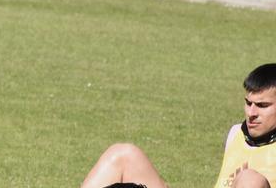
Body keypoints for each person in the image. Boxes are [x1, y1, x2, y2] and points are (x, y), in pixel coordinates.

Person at [80, 63, 276, 188]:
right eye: (248, 103)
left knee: (250, 180)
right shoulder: (236, 133)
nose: (251, 113)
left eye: (262, 106)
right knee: (123, 154)